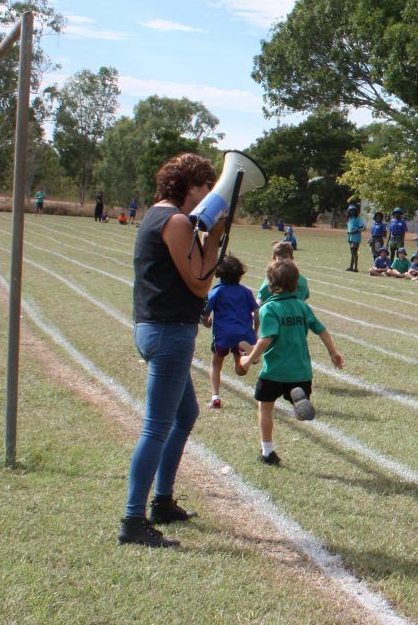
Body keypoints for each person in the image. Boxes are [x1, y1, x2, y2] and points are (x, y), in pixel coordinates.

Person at [119, 152, 221, 548]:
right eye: (205, 186)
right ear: (189, 186)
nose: (208, 194)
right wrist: (212, 239)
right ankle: (133, 519)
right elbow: (199, 283)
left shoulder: (158, 215)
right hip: (169, 333)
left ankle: (162, 501)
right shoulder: (176, 221)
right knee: (157, 427)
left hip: (158, 329)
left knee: (186, 414)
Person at [243, 258, 344, 467]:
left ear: (270, 283)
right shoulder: (302, 306)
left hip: (274, 371)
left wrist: (249, 359)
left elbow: (266, 338)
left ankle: (267, 452)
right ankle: (298, 399)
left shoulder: (269, 309)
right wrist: (333, 353)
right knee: (300, 413)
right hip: (301, 372)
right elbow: (321, 330)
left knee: (265, 408)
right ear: (296, 282)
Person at [201, 253, 258, 410]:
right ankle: (246, 352)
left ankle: (215, 398)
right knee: (240, 371)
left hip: (224, 335)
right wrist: (256, 331)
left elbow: (205, 313)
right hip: (243, 334)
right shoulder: (246, 292)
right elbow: (256, 312)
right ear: (240, 274)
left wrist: (206, 322)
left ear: (219, 274)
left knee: (216, 363)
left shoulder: (217, 291)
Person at [345, 204, 364, 271]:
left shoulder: (357, 218)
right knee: (352, 252)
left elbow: (363, 228)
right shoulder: (350, 219)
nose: (352, 212)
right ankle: (351, 267)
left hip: (356, 237)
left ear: (355, 211)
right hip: (350, 237)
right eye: (350, 210)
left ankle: (355, 268)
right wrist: (349, 232)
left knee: (354, 251)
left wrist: (355, 231)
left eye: (353, 210)